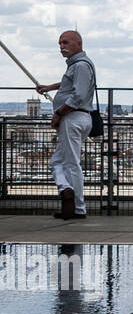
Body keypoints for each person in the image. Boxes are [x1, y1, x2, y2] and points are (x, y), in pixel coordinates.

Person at [35, 30, 96, 221]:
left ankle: (78, 208)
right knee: (57, 162)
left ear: (78, 43)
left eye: (65, 42)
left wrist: (58, 113)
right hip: (77, 118)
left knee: (71, 164)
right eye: (60, 43)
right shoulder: (78, 66)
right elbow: (70, 84)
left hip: (72, 118)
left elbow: (77, 94)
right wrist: (50, 88)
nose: (61, 46)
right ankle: (66, 189)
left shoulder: (80, 66)